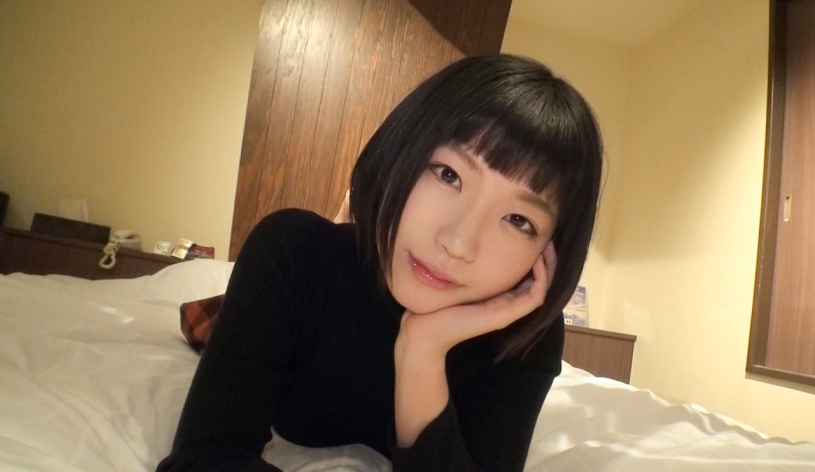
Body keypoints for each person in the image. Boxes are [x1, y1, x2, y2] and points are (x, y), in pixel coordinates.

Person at [157, 54, 603, 472]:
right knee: (207, 320)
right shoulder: (294, 254)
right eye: (448, 175)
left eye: (518, 220)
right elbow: (205, 459)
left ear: (549, 251)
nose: (458, 244)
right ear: (400, 152)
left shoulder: (526, 337)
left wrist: (422, 352)